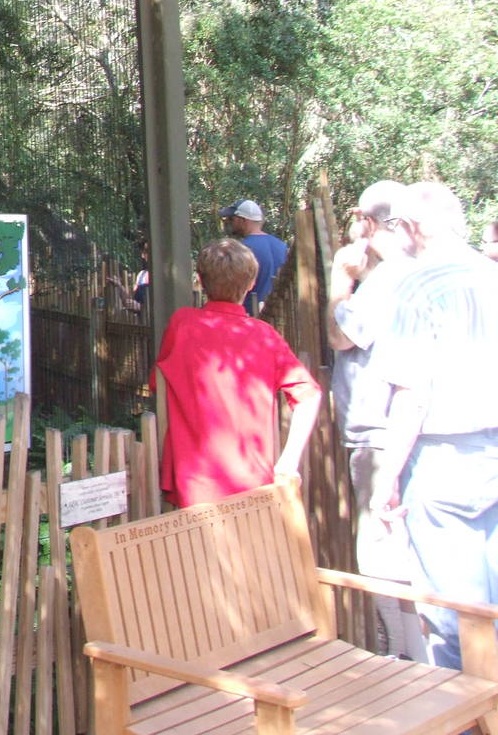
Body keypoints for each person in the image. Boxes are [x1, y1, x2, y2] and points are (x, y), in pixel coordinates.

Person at [368, 181, 498, 670]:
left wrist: (386, 479)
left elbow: (412, 393)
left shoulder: (417, 286)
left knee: (454, 617)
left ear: (412, 227)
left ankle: (470, 705)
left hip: (443, 460)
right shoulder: (492, 275)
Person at [327, 180, 426, 659]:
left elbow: (340, 336)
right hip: (415, 434)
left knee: (381, 552)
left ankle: (403, 658)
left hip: (379, 435)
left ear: (367, 222)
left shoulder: (385, 281)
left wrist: (338, 282)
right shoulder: (418, 273)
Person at [156, 238, 323, 508]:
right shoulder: (265, 336)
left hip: (195, 482)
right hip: (253, 482)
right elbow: (309, 396)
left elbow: (159, 385)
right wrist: (289, 460)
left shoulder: (182, 324)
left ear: (200, 280)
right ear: (252, 283)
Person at [219, 198, 288, 314]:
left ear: (243, 220)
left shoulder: (241, 249)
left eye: (231, 219)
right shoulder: (282, 246)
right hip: (279, 315)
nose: (229, 223)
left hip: (249, 316)